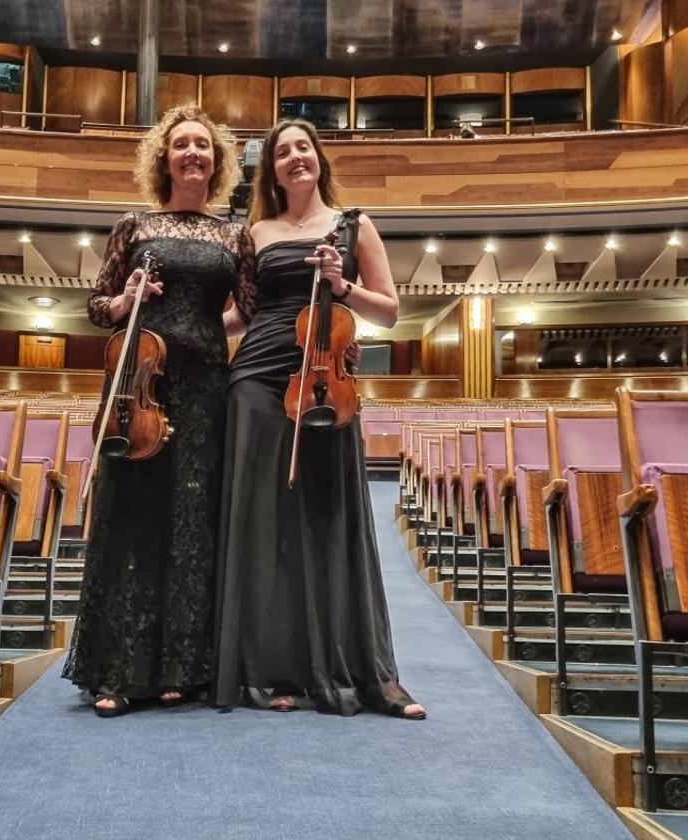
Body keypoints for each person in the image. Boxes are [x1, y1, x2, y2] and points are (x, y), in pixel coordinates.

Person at [212, 118, 426, 719]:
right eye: (282, 152)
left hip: (326, 381)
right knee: (263, 526)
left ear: (318, 158)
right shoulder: (253, 232)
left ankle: (363, 672)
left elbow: (386, 313)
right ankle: (269, 671)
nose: (294, 158)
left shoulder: (354, 224)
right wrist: (176, 325)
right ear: (271, 169)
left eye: (303, 147)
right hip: (255, 379)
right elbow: (237, 317)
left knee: (329, 521)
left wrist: (341, 285)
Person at [62, 105, 257, 717]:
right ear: (164, 159)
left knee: (192, 524)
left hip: (205, 388)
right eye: (181, 146)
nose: (193, 153)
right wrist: (126, 300)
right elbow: (95, 306)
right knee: (132, 519)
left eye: (203, 145)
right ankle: (117, 671)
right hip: (140, 384)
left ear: (218, 161)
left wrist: (202, 328)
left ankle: (182, 669)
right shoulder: (135, 225)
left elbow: (248, 311)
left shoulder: (234, 234)